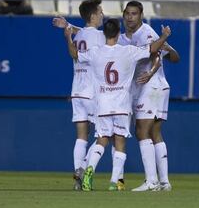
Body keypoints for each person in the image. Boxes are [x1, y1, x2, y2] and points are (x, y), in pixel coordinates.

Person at [64, 18, 171, 191]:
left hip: (103, 104)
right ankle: (115, 182)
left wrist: (68, 38)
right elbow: (152, 48)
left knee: (101, 140)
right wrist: (164, 36)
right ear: (118, 32)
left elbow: (74, 54)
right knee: (120, 143)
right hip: (122, 105)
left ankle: (89, 171)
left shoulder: (95, 52)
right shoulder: (128, 51)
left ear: (104, 33)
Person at [121, 1, 180, 192]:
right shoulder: (126, 38)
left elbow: (155, 54)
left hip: (151, 86)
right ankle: (164, 182)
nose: (130, 17)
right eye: (128, 13)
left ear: (141, 15)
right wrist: (166, 45)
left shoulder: (145, 32)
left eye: (134, 14)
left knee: (141, 131)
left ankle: (151, 181)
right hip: (156, 87)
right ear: (123, 15)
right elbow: (171, 54)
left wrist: (152, 72)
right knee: (155, 133)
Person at [57, 0, 105, 190]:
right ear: (93, 16)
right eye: (100, 12)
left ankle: (77, 171)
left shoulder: (79, 36)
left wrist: (68, 27)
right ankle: (84, 167)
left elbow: (82, 32)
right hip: (92, 92)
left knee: (81, 136)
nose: (102, 15)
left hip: (76, 90)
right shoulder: (100, 36)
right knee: (103, 135)